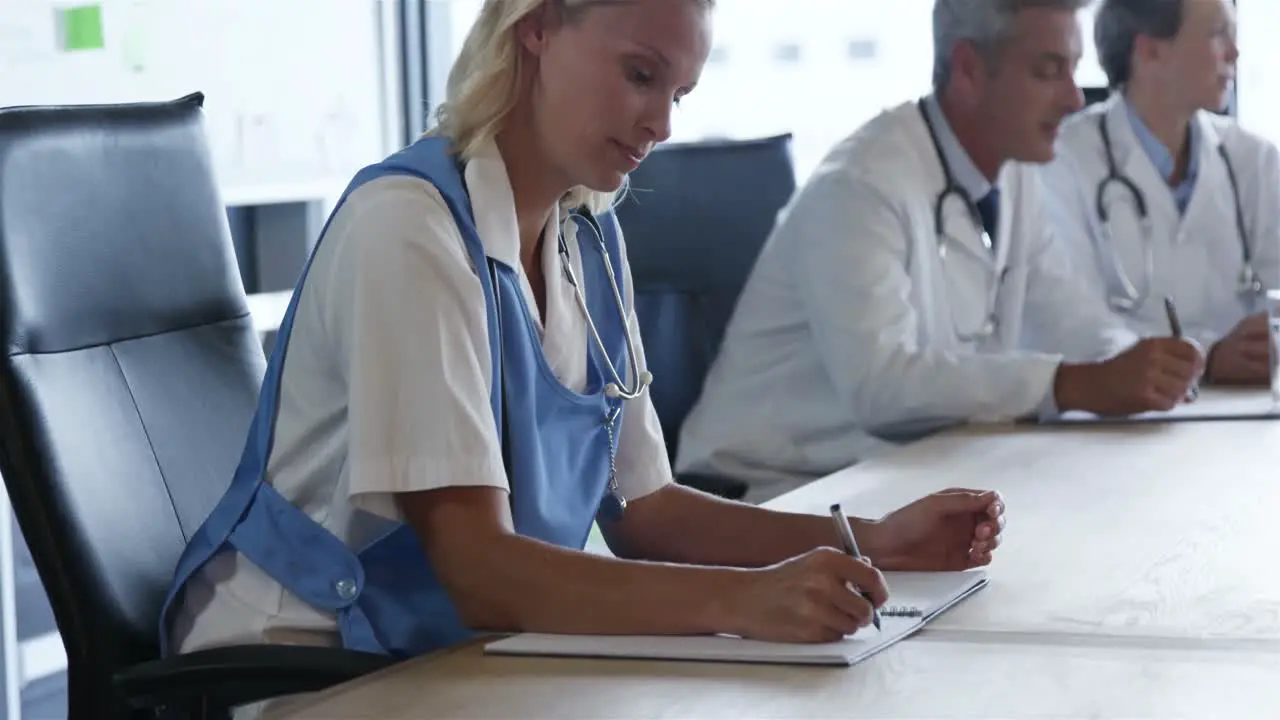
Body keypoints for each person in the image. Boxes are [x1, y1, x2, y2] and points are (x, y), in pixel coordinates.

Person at [157, 1, 1005, 715]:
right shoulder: (409, 229)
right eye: (641, 76)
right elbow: (480, 569)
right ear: (536, 27)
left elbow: (648, 511)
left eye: (679, 92)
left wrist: (872, 539)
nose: (663, 124)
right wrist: (742, 601)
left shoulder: (586, 236)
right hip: (303, 659)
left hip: (438, 647)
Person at [675, 0, 1205, 505]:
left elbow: (1071, 319)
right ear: (969, 69)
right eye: (1048, 72)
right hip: (766, 495)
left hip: (892, 477)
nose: (1073, 99)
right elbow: (882, 386)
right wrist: (1070, 384)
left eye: (1073, 70)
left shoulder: (1015, 175)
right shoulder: (862, 184)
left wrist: (1151, 366)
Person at [1040, 0, 1278, 386]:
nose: (1234, 52)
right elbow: (1070, 322)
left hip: (1243, 417)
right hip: (1114, 429)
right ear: (1150, 50)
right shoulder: (1062, 159)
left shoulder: (1253, 160)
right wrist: (1207, 356)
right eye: (1217, 33)